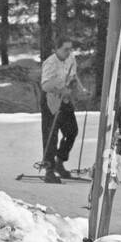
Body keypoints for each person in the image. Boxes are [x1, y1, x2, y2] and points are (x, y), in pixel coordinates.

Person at [39, 37, 83, 183]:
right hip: (50, 100)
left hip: (64, 99)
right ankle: (49, 169)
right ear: (56, 49)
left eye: (70, 49)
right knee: (51, 135)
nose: (69, 52)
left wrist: (81, 90)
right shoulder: (50, 63)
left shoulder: (71, 59)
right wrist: (60, 88)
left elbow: (73, 76)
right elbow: (45, 86)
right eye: (65, 49)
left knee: (71, 131)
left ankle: (60, 161)